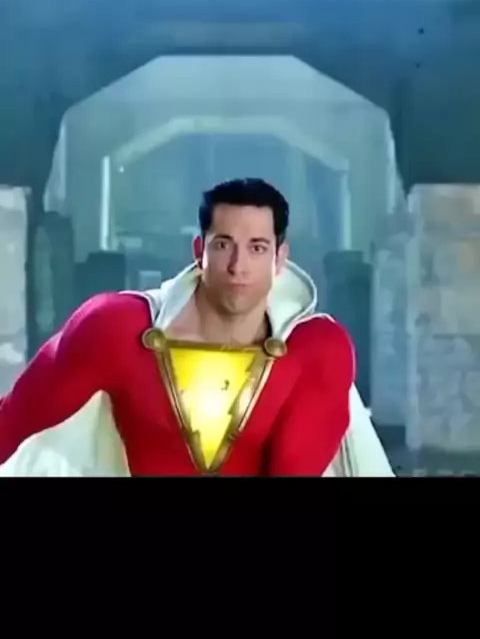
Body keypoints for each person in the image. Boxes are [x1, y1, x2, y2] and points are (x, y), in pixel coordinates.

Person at [0, 178, 393, 477]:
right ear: (199, 250)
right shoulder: (114, 328)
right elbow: (13, 422)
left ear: (280, 258)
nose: (238, 266)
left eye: (257, 248)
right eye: (223, 244)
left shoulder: (315, 350)